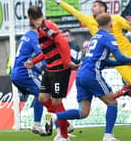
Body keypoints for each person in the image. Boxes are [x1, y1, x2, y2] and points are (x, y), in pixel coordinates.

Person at [48, 13, 131, 141]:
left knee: (83, 113)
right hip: (92, 74)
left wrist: (125, 62)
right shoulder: (109, 37)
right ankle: (108, 136)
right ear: (111, 24)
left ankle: (55, 117)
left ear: (98, 25)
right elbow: (119, 57)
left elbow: (105, 61)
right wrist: (127, 60)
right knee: (112, 102)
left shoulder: (95, 37)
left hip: (80, 75)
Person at [45, 0, 131, 83]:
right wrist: (58, 1)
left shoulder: (116, 18)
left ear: (102, 8)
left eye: (94, 6)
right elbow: (74, 11)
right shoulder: (89, 21)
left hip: (128, 50)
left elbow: (129, 26)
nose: (91, 8)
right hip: (116, 58)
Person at [25, 5, 78, 141]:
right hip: (49, 69)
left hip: (59, 69)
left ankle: (64, 136)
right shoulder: (42, 27)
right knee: (42, 98)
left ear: (30, 17)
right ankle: (64, 122)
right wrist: (33, 61)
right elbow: (47, 49)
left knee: (56, 102)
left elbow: (62, 42)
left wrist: (67, 62)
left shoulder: (45, 27)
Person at [11, 22, 46, 135]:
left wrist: (40, 71)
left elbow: (27, 61)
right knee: (45, 93)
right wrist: (46, 68)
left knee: (41, 95)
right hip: (24, 73)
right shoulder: (34, 37)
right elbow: (43, 54)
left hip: (16, 74)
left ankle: (37, 124)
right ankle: (62, 126)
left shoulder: (26, 36)